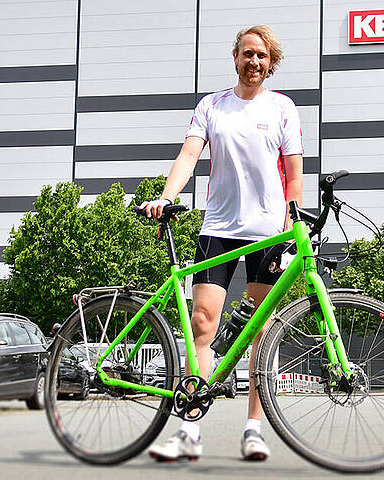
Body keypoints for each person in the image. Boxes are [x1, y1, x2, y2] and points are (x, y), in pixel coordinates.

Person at [141, 24, 303, 462]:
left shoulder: (284, 108)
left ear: (271, 64)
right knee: (202, 324)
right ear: (236, 58)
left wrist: (293, 229)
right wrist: (167, 196)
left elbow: (293, 174)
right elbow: (189, 156)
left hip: (269, 233)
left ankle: (254, 428)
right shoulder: (212, 105)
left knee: (259, 333)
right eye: (248, 53)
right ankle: (189, 430)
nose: (254, 62)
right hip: (218, 228)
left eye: (262, 56)